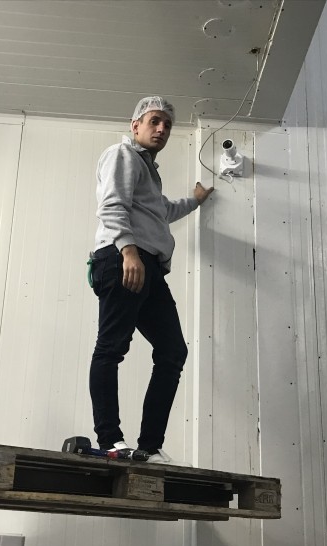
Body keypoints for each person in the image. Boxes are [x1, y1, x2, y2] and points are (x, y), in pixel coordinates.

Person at [88, 96, 214, 465]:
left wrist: (195, 201)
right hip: (124, 257)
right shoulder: (122, 154)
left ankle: (148, 447)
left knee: (173, 352)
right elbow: (111, 204)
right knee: (111, 347)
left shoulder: (147, 170)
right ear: (136, 126)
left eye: (167, 125)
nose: (162, 129)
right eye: (154, 121)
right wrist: (128, 251)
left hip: (149, 265)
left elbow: (162, 211)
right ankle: (110, 441)